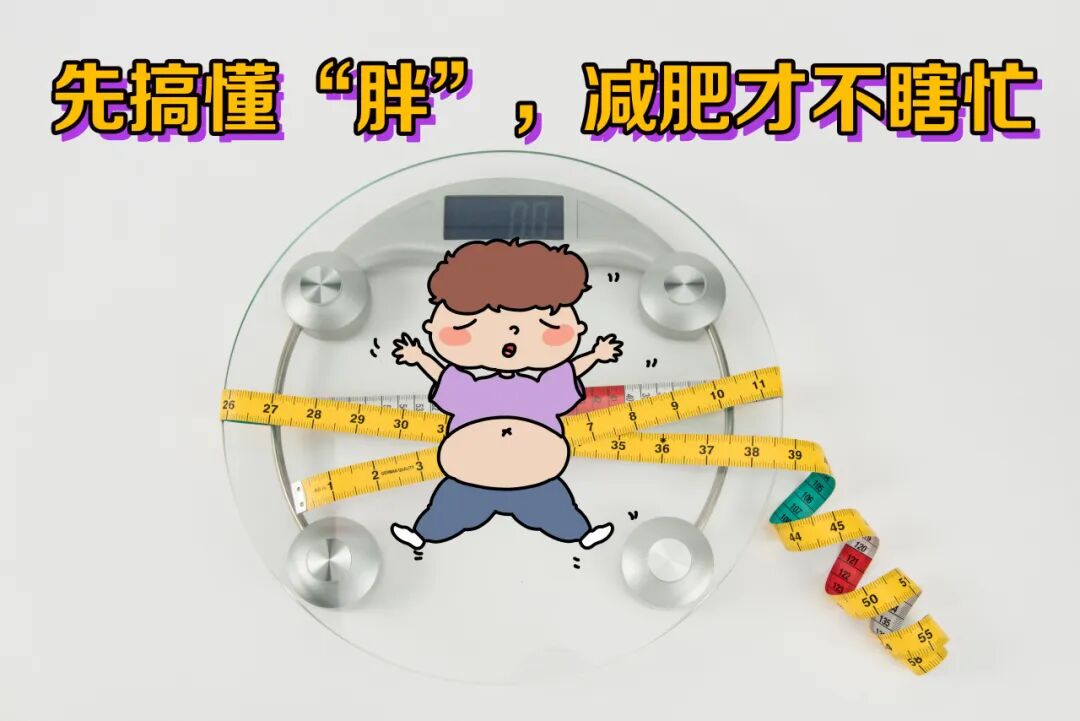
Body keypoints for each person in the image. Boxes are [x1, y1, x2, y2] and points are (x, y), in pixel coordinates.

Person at [389, 238, 622, 550]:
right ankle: (423, 534)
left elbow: (569, 372)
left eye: (545, 324)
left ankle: (581, 534)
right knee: (447, 506)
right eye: (471, 325)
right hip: (471, 479)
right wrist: (419, 357)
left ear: (577, 328)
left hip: (535, 479)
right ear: (432, 327)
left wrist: (594, 355)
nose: (509, 336)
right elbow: (442, 376)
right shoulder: (472, 393)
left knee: (556, 506)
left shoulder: (539, 393)